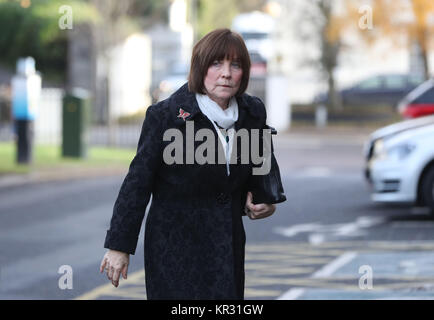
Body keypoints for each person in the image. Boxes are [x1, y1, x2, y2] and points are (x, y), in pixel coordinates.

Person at [100, 28, 286, 300]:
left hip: (226, 248)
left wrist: (266, 200)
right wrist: (119, 246)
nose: (226, 73)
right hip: (174, 251)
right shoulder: (165, 117)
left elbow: (261, 169)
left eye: (235, 65)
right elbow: (136, 185)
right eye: (216, 63)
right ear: (200, 68)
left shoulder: (252, 113)